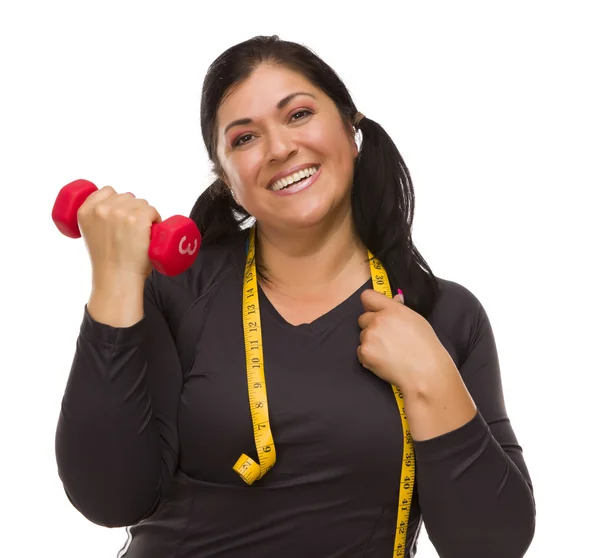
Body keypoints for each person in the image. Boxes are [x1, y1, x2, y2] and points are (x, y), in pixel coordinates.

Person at [54, 35, 536, 558]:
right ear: (226, 179)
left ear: (353, 128)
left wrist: (432, 379)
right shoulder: (177, 291)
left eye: (299, 114)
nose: (280, 148)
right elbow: (109, 499)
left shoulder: (444, 316)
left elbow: (492, 545)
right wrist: (115, 285)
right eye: (244, 139)